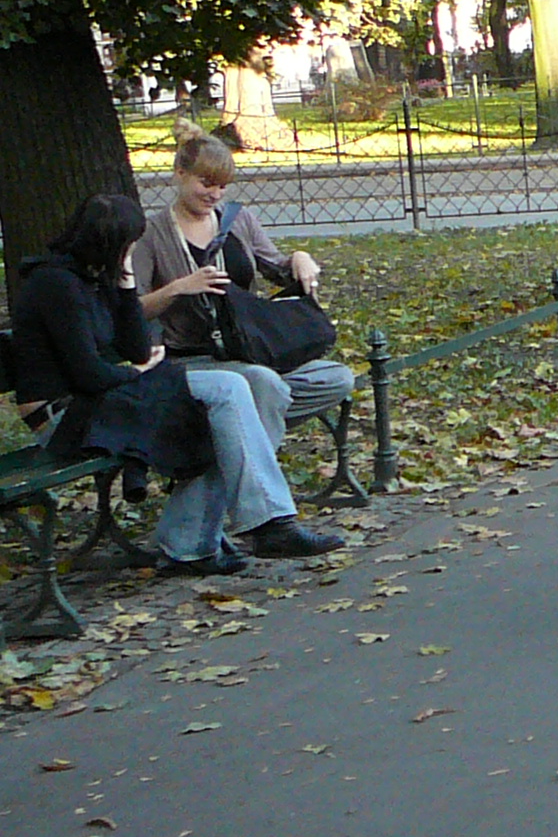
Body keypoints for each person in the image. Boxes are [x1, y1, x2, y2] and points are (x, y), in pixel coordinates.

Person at [11, 194, 341, 575]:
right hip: (63, 416)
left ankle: (209, 539)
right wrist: (137, 373)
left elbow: (135, 347)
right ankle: (245, 531)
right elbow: (89, 374)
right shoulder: (56, 285)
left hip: (102, 397)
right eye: (128, 246)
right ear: (108, 244)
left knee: (231, 395)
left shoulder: (94, 277)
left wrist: (125, 286)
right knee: (223, 400)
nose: (132, 252)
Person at [133, 129, 356, 427]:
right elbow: (134, 309)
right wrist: (179, 288)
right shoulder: (152, 233)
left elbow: (277, 267)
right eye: (206, 183)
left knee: (336, 378)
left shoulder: (238, 219)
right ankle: (250, 442)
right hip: (194, 357)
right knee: (263, 384)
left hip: (251, 348)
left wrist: (299, 258)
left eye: (223, 186)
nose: (215, 195)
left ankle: (232, 436)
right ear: (180, 174)